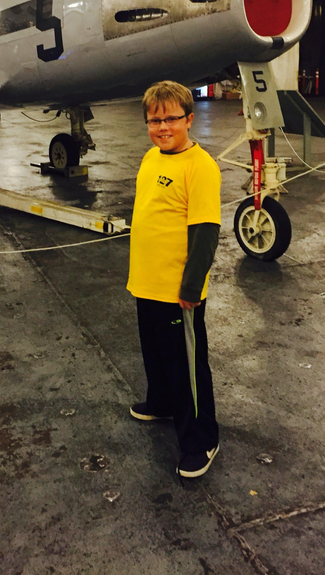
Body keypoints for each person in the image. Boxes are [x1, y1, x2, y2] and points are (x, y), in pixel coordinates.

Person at [127, 80, 221, 479]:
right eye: (154, 120)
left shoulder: (200, 167)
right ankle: (161, 402)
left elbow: (206, 232)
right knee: (156, 354)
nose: (162, 127)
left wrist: (191, 287)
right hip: (145, 283)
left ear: (188, 118)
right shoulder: (151, 158)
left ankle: (202, 438)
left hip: (176, 291)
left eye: (171, 119)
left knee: (187, 366)